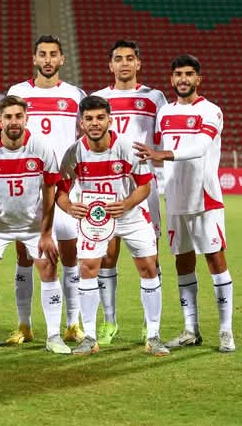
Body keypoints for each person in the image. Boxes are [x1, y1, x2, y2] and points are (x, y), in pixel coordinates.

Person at [134, 54, 236, 353]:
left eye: (189, 74)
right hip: (175, 199)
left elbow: (201, 147)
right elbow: (156, 145)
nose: (183, 79)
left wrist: (163, 154)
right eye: (178, 74)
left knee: (215, 261)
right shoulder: (165, 112)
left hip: (204, 199)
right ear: (172, 79)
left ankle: (226, 330)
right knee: (183, 263)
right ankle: (191, 329)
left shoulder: (210, 111)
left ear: (198, 79)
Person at [57, 95, 169, 356]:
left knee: (149, 267)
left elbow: (145, 186)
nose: (94, 123)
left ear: (110, 120)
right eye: (88, 119)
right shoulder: (73, 153)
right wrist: (69, 207)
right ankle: (90, 337)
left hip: (130, 216)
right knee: (87, 268)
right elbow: (60, 191)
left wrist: (127, 203)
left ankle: (153, 336)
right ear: (81, 123)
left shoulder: (128, 147)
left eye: (100, 118)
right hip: (94, 220)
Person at [0, 95, 70, 355]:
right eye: (8, 117)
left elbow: (50, 191)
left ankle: (54, 336)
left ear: (26, 118)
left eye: (18, 116)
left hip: (34, 226)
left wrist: (46, 233)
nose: (13, 122)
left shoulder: (40, 147)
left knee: (49, 269)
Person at [5, 35, 86, 345]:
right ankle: (24, 325)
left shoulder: (75, 95)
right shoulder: (18, 92)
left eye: (53, 54)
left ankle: (73, 324)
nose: (48, 59)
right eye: (42, 54)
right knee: (25, 257)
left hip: (66, 187)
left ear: (62, 59)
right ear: (34, 58)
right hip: (28, 187)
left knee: (70, 256)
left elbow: (85, 137)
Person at [91, 39, 168, 345]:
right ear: (110, 65)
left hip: (144, 184)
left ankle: (151, 326)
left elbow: (163, 139)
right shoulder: (99, 98)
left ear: (138, 63)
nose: (124, 63)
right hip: (107, 186)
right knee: (107, 255)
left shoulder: (154, 97)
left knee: (150, 257)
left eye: (129, 58)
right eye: (118, 59)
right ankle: (109, 322)